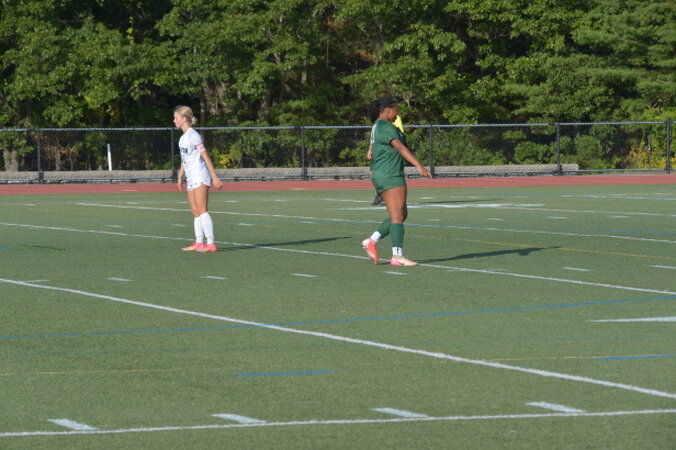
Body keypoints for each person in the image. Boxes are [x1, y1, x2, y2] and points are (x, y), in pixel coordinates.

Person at [361, 96, 431, 266]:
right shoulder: (385, 126)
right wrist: (419, 166)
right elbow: (399, 147)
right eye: (395, 109)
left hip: (383, 173)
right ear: (386, 110)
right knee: (397, 216)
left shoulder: (378, 125)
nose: (396, 113)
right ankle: (397, 256)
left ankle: (371, 241)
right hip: (390, 174)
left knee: (401, 214)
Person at [173, 105, 223, 252]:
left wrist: (214, 177)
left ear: (184, 119)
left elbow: (205, 157)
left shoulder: (193, 135)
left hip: (200, 176)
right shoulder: (182, 138)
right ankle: (199, 242)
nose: (174, 120)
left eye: (176, 118)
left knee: (202, 210)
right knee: (195, 211)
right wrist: (180, 176)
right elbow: (185, 159)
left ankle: (211, 243)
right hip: (191, 178)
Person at [369, 114, 405, 206]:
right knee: (374, 171)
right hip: (380, 149)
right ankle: (381, 194)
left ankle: (385, 195)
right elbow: (374, 137)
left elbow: (398, 135)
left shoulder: (392, 119)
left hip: (390, 147)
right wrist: (370, 149)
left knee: (389, 172)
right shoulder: (378, 122)